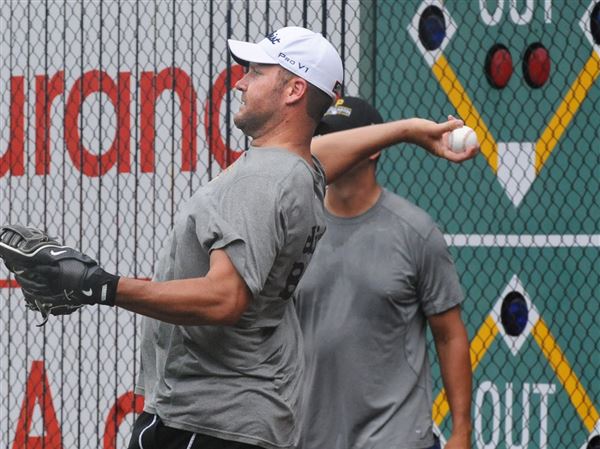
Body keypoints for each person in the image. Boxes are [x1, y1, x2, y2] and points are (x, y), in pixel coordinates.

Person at [0, 28, 476, 449]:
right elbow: (322, 151)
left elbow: (224, 298)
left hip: (205, 420)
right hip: (243, 417)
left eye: (256, 71)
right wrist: (409, 130)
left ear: (293, 90)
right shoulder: (295, 171)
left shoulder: (266, 180)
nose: (242, 82)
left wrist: (99, 285)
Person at [294, 97, 473, 449]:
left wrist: (461, 431)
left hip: (396, 437)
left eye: (345, 138)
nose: (330, 150)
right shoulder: (295, 229)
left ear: (373, 149)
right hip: (309, 437)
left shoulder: (415, 231)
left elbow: (449, 335)